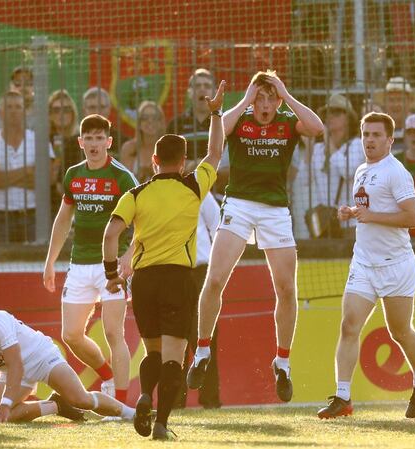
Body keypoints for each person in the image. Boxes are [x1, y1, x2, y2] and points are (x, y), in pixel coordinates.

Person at [187, 71, 324, 403]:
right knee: (215, 278)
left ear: (278, 99)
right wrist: (246, 98)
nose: (264, 105)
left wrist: (286, 95)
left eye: (270, 98)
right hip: (239, 204)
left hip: (275, 210)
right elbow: (217, 140)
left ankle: (283, 362)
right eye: (259, 97)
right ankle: (202, 352)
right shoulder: (241, 117)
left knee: (287, 288)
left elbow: (318, 129)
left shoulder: (289, 120)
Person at [102, 80, 226, 440]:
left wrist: (113, 274)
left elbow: (110, 235)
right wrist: (216, 113)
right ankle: (161, 424)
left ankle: (143, 395)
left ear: (153, 161)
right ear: (183, 161)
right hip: (178, 279)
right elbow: (215, 153)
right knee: (175, 357)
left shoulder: (135, 194)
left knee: (152, 350)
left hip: (143, 281)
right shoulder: (193, 187)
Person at [317, 112, 415, 419]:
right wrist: (351, 212)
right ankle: (343, 397)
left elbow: (414, 218)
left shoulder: (397, 172)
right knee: (349, 325)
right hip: (364, 263)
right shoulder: (362, 170)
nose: (369, 140)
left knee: (400, 331)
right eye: (366, 134)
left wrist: (371, 216)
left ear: (390, 140)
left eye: (376, 135)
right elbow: (369, 208)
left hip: (396, 265)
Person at [0, 282, 136, 424]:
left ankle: (132, 413)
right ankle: (56, 405)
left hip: (41, 357)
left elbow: (16, 365)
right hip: (13, 373)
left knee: (80, 399)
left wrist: (6, 404)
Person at [43, 114, 138, 407]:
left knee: (113, 332)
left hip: (111, 267)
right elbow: (63, 220)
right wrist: (49, 262)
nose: (95, 144)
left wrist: (128, 255)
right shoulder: (73, 174)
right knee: (70, 334)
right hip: (79, 264)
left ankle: (121, 404)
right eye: (90, 139)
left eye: (101, 138)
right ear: (80, 142)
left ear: (109, 142)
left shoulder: (122, 177)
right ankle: (107, 376)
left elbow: (145, 220)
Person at [174, 157, 222, 410]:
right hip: (173, 271)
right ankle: (175, 400)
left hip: (202, 271)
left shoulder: (200, 192)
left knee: (205, 337)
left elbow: (218, 226)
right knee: (175, 337)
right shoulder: (156, 195)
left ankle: (211, 399)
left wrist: (216, 270)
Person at [0, 91, 55, 243]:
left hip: (32, 215)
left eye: (18, 107)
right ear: (0, 113)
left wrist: (5, 178)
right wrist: (28, 171)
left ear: (24, 112)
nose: (13, 111)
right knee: (1, 265)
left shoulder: (39, 140)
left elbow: (47, 179)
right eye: (8, 107)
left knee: (35, 263)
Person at [293, 93, 363, 239]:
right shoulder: (318, 149)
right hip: (325, 222)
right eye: (328, 112)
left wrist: (328, 142)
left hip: (350, 222)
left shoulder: (356, 145)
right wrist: (309, 150)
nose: (330, 116)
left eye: (336, 113)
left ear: (348, 118)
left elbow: (348, 171)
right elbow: (303, 181)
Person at [372, 77, 415, 155]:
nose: (395, 104)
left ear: (410, 101)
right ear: (385, 103)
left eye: (400, 99)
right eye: (391, 100)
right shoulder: (378, 131)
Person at [167, 68, 216, 161]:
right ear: (189, 92)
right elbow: (169, 159)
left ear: (215, 92)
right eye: (197, 86)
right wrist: (189, 166)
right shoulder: (176, 124)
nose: (202, 89)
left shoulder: (224, 121)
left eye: (207, 86)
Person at [121, 101, 166, 182]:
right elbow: (123, 180)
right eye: (145, 118)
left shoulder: (169, 148)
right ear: (139, 123)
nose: (150, 121)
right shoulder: (129, 148)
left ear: (161, 122)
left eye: (155, 117)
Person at [0, 66, 36, 131]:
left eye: (28, 83)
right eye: (17, 84)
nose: (23, 87)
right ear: (11, 87)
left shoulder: (44, 113)